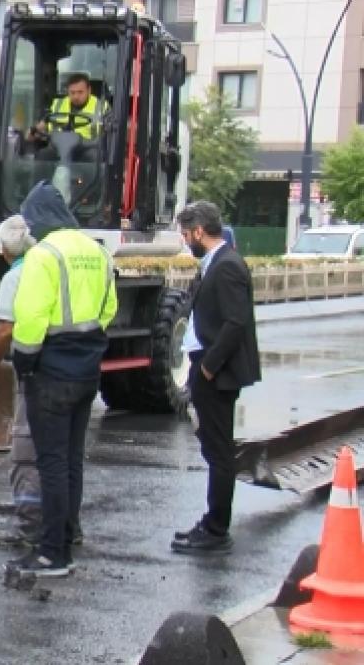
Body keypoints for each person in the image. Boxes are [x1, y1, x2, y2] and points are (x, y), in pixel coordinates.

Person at [8, 181, 117, 577]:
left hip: (50, 369)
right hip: (87, 368)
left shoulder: (43, 256)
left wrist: (24, 362)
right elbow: (108, 310)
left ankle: (52, 553)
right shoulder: (98, 252)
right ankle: (68, 537)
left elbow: (31, 318)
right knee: (72, 461)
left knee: (50, 462)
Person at [172, 201, 260, 555]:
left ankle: (216, 529)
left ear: (198, 231)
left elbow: (235, 323)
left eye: (185, 234)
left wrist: (208, 367)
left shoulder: (227, 267)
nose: (184, 241)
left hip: (217, 374)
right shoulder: (215, 264)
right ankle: (211, 522)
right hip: (207, 368)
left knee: (219, 451)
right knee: (213, 446)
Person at [32, 73, 107, 142]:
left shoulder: (102, 107)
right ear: (68, 91)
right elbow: (40, 127)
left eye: (80, 92)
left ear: (89, 90)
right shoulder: (57, 104)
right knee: (43, 154)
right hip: (58, 146)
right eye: (72, 92)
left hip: (88, 149)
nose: (76, 96)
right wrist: (33, 132)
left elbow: (110, 136)